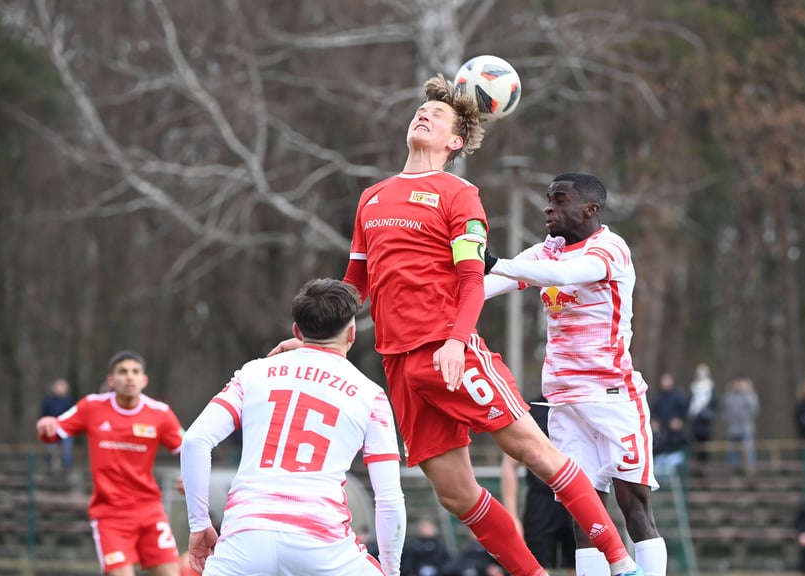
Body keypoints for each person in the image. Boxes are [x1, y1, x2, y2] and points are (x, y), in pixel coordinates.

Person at [269, 77, 642, 576]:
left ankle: (622, 564)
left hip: (452, 353)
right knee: (455, 493)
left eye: (437, 115)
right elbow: (354, 286)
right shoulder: (372, 198)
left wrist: (455, 338)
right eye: (419, 111)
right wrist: (308, 341)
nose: (423, 116)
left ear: (456, 142)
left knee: (533, 451)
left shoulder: (459, 194)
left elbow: (472, 278)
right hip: (399, 365)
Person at [484, 172, 666, 576]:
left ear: (591, 208)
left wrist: (498, 261)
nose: (549, 207)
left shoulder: (610, 248)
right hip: (563, 403)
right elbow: (489, 283)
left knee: (634, 507)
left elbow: (566, 276)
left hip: (612, 396)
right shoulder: (546, 252)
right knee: (583, 514)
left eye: (560, 199)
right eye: (548, 199)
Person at [181, 278, 406, 576]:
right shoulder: (369, 395)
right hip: (322, 543)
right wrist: (391, 569)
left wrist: (199, 524)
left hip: (245, 536)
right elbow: (389, 499)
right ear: (352, 333)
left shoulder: (254, 372)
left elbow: (195, 441)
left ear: (297, 331)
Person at [35, 351, 184, 576]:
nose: (129, 377)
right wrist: (46, 426)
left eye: (135, 372)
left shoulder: (160, 413)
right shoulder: (92, 407)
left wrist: (191, 476)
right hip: (111, 515)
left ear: (144, 380)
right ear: (111, 380)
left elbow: (192, 449)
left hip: (150, 511)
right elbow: (55, 430)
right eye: (122, 372)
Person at [501, 396, 576, 573]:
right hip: (541, 501)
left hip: (575, 497)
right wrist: (512, 516)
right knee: (536, 566)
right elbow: (509, 465)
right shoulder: (531, 410)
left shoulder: (581, 405)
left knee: (581, 563)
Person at [721, 377, 759, 469]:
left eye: (741, 383)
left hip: (746, 428)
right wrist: (729, 420)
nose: (739, 385)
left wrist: (744, 418)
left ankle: (750, 468)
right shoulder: (729, 397)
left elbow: (754, 410)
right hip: (732, 429)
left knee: (748, 450)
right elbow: (724, 411)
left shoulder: (750, 396)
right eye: (737, 383)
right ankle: (734, 469)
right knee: (733, 451)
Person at [40, 377, 75, 472]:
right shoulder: (48, 401)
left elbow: (73, 416)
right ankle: (50, 469)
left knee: (67, 451)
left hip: (65, 430)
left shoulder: (69, 401)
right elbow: (44, 415)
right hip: (51, 429)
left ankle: (67, 470)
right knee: (50, 451)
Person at [687, 364, 718, 462]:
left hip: (706, 425)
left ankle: (704, 470)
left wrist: (706, 414)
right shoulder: (693, 390)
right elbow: (688, 405)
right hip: (695, 425)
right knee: (694, 447)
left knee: (705, 449)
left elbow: (715, 407)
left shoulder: (711, 391)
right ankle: (695, 469)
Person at [652, 416, 690, 481]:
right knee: (656, 467)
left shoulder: (684, 434)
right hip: (663, 456)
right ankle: (661, 485)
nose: (674, 424)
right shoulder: (665, 433)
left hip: (675, 456)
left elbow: (685, 444)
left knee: (669, 468)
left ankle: (668, 484)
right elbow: (659, 446)